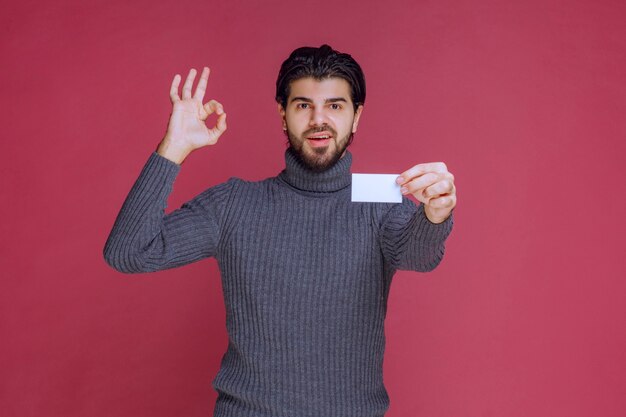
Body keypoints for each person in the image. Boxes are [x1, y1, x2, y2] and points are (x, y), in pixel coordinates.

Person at [104, 44, 456, 417]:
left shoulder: (382, 201)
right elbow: (129, 252)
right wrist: (173, 148)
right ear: (283, 114)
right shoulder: (234, 204)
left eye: (335, 106)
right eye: (304, 105)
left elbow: (419, 255)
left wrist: (435, 214)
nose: (319, 119)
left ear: (356, 117)